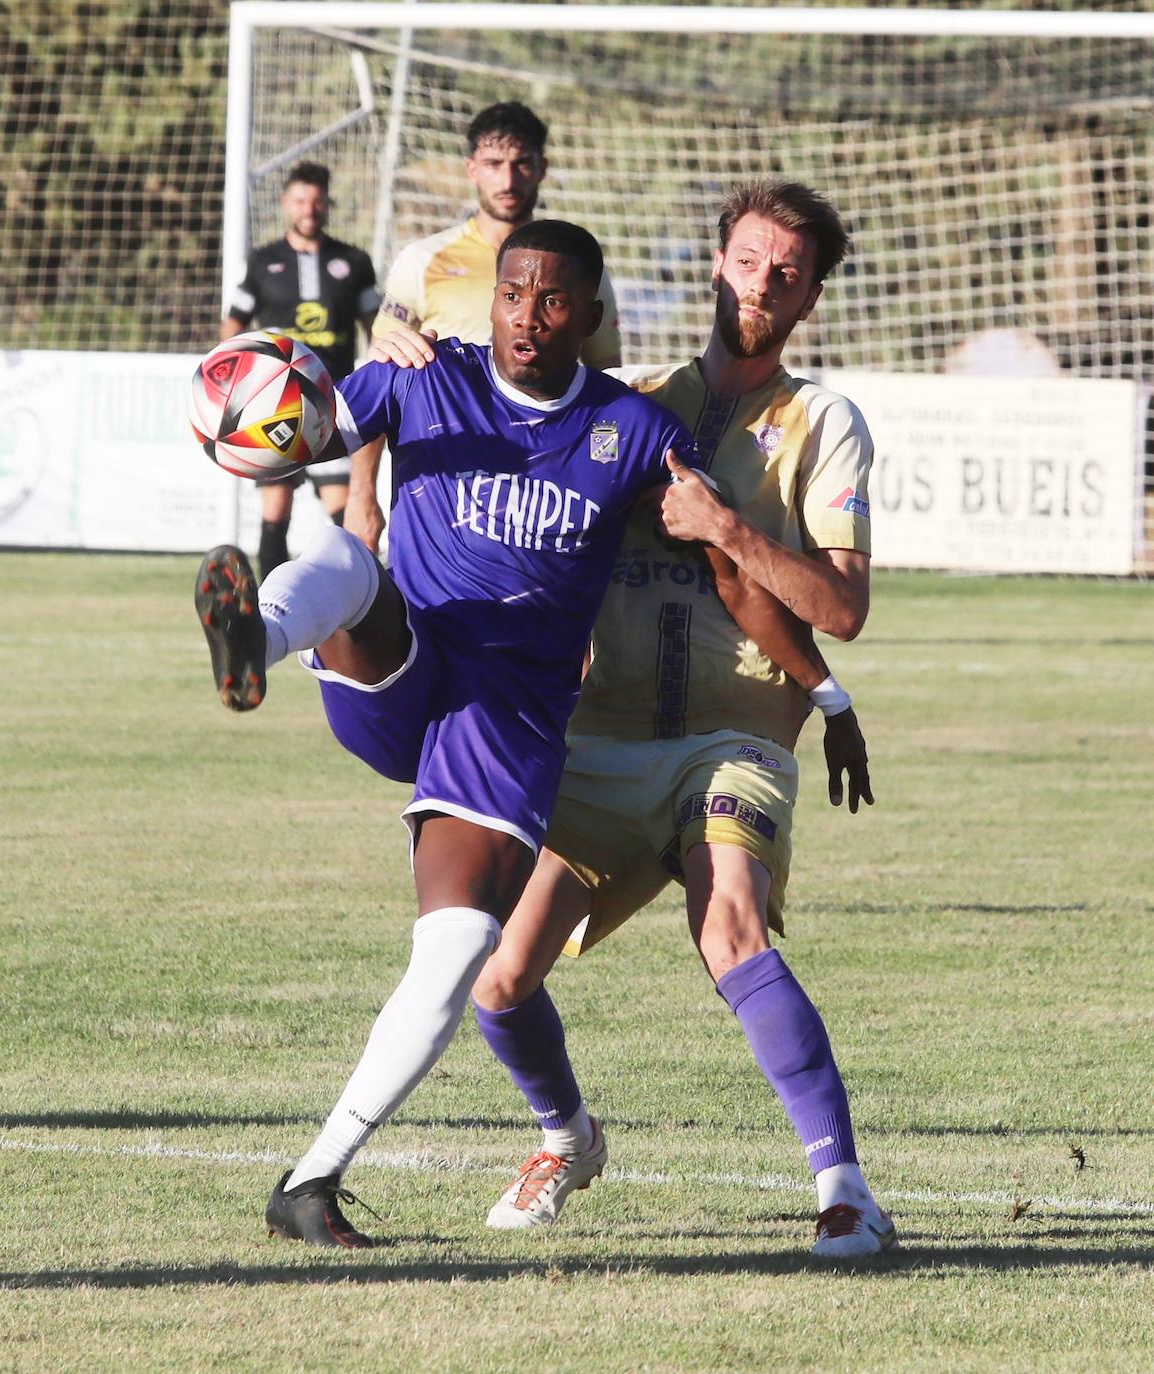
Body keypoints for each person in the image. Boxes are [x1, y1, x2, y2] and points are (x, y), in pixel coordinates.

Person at [372, 180, 893, 1260]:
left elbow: (837, 607)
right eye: (747, 262)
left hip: (733, 739)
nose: (761, 285)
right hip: (595, 741)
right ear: (715, 265)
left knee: (729, 926)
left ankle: (843, 1192)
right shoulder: (629, 405)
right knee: (497, 979)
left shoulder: (821, 422)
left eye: (785, 274)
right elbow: (497, 387)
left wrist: (745, 555)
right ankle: (567, 1137)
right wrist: (396, 341)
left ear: (808, 298)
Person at [194, 220, 711, 1248]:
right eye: (513, 294)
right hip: (404, 661)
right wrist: (269, 401)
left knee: (464, 946)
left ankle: (311, 1181)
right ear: (494, 299)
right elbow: (309, 429)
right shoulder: (428, 377)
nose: (527, 316)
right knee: (351, 562)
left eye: (552, 299)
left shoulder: (632, 430)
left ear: (591, 316)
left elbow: (706, 532)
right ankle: (256, 631)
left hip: (504, 716)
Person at [344, 101, 622, 555]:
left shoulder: (580, 272)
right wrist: (361, 496)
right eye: (494, 164)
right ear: (472, 169)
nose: (508, 180)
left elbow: (606, 383)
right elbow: (379, 383)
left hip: (544, 498)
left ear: (542, 169)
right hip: (440, 496)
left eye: (521, 164)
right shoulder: (422, 261)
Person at [221, 162, 380, 578]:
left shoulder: (354, 261)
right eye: (300, 201)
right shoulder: (262, 262)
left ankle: (356, 608)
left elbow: (376, 331)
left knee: (344, 511)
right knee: (275, 508)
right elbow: (232, 325)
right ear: (286, 204)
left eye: (317, 201)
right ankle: (269, 609)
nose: (309, 209)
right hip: (273, 406)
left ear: (327, 204)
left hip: (334, 406)